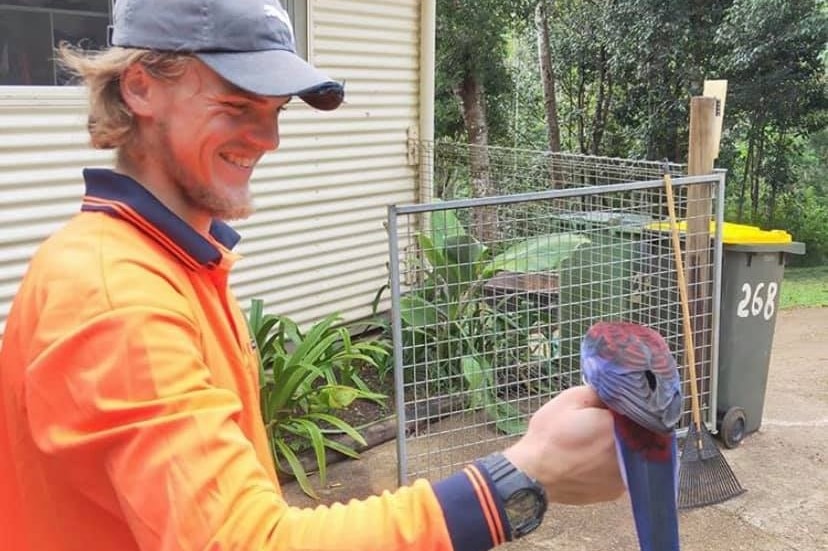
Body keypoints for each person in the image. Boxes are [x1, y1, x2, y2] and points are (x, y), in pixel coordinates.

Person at [0, 1, 624, 550]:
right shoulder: (116, 297)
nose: (267, 137)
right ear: (140, 87)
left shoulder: (173, 261)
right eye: (237, 103)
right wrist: (520, 476)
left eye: (276, 110)